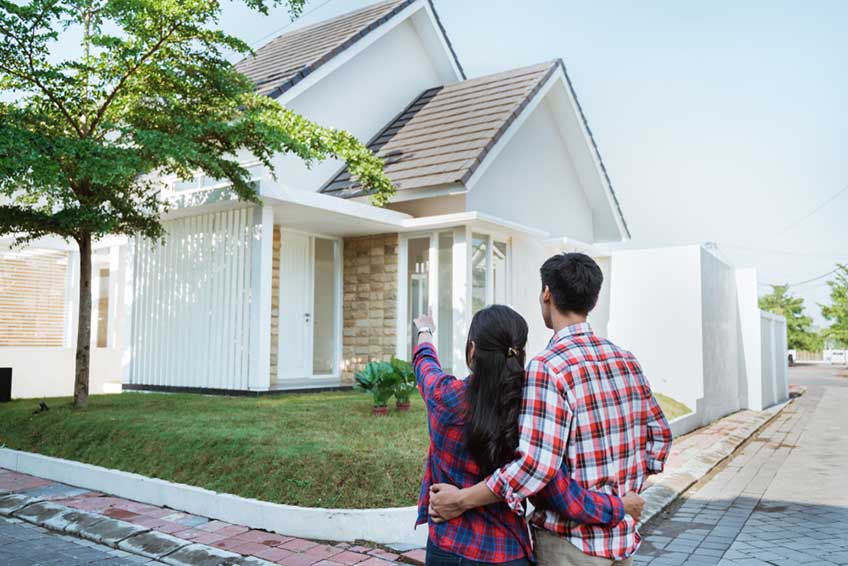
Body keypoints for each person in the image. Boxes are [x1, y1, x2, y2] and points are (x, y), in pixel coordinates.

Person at [428, 253, 673, 566]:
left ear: (547, 293)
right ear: (593, 301)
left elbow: (534, 467)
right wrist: (625, 496)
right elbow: (660, 439)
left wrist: (461, 500)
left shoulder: (548, 368)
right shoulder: (625, 359)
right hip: (622, 540)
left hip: (570, 546)